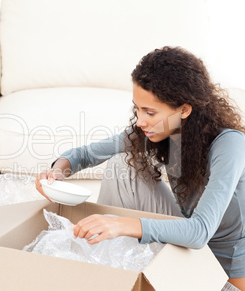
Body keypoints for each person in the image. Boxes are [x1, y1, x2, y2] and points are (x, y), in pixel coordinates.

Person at [36, 46, 245, 290]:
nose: (140, 120)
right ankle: (96, 268)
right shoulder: (158, 130)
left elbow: (200, 232)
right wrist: (57, 172)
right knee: (122, 166)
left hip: (224, 271)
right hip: (188, 249)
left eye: (150, 112)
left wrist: (122, 225)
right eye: (137, 108)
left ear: (185, 110)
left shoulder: (230, 144)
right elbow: (86, 154)